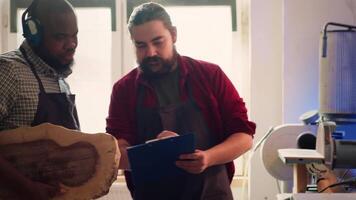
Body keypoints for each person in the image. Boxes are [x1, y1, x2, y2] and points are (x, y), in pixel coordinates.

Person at [106, 2, 256, 200]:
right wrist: (156, 153)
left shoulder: (210, 76)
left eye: (158, 41)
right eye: (140, 45)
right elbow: (116, 153)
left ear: (174, 35)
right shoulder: (124, 90)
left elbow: (244, 137)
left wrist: (208, 158)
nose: (150, 52)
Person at [0, 0, 79, 199]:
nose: (71, 45)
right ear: (34, 34)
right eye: (60, 37)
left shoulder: (59, 79)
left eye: (74, 35)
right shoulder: (9, 71)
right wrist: (28, 188)